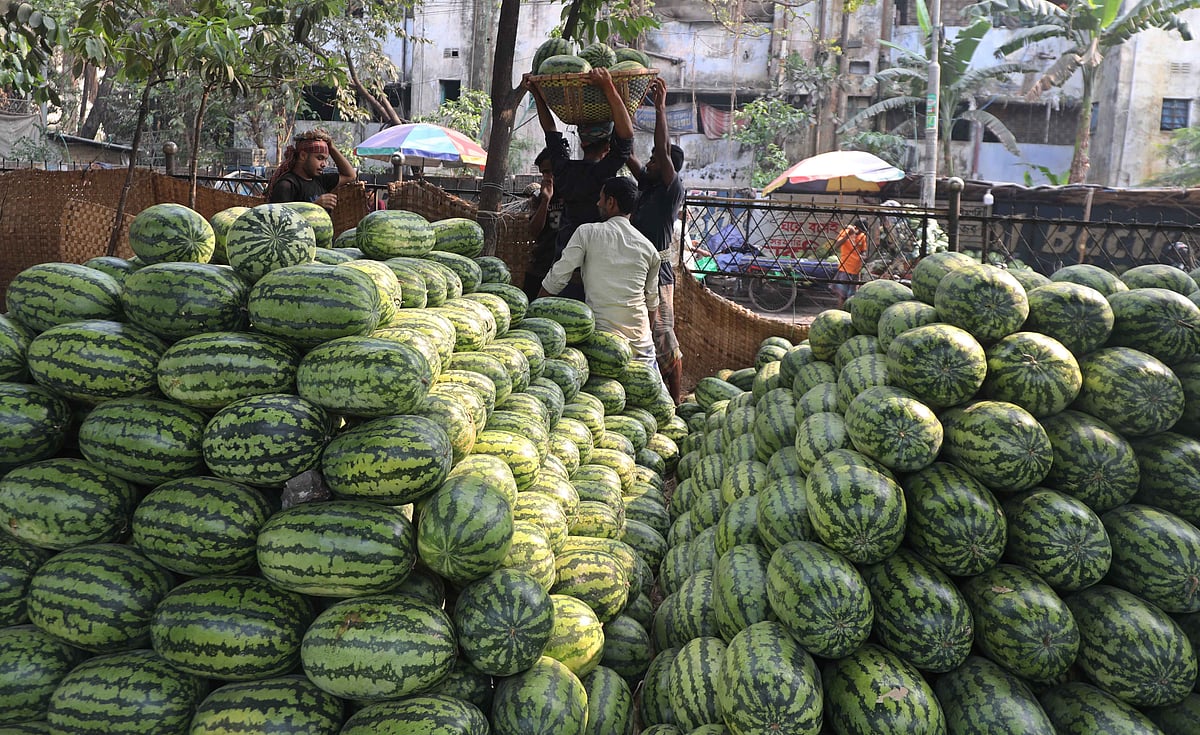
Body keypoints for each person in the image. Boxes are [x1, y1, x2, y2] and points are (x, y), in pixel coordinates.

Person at [526, 67, 635, 299]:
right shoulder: (605, 174)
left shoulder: (564, 172)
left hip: (564, 264)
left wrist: (536, 93)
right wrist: (608, 86)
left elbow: (550, 130)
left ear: (582, 144)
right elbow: (626, 137)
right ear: (607, 147)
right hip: (595, 270)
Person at [540, 176, 661, 365]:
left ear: (611, 203)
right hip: (642, 346)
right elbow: (652, 302)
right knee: (652, 390)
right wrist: (645, 337)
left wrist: (534, 311)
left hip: (603, 346)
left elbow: (557, 278)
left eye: (601, 198)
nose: (598, 203)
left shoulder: (587, 232)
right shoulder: (649, 249)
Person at [628, 78, 685, 403]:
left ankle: (676, 401)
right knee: (644, 334)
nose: (648, 163)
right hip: (638, 271)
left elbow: (661, 152)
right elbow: (628, 154)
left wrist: (660, 107)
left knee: (664, 337)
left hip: (659, 276)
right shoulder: (647, 186)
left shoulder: (670, 191)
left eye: (655, 161)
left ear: (667, 169)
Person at [505, 148, 562, 301]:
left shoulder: (574, 195)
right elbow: (534, 230)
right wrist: (545, 200)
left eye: (550, 172)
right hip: (540, 266)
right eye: (544, 173)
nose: (547, 177)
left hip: (564, 267)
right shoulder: (539, 197)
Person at [265, 129, 357, 211]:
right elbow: (279, 219)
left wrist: (332, 147)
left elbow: (350, 175)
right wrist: (314, 206)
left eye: (325, 159)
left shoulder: (321, 180)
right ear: (303, 156)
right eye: (319, 158)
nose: (324, 164)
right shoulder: (287, 185)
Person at [832, 218, 869, 307]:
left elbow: (863, 250)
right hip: (845, 268)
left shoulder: (862, 236)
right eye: (859, 230)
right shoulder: (845, 232)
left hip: (856, 270)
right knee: (842, 296)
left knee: (852, 297)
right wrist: (848, 234)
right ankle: (840, 312)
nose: (860, 233)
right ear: (855, 227)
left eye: (862, 231)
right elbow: (836, 245)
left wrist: (863, 256)